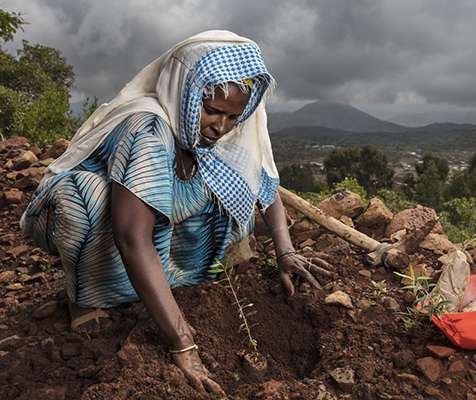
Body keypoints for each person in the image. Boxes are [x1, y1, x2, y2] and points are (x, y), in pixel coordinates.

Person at [20, 30, 332, 395]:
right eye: (212, 111)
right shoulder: (148, 125)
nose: (221, 126)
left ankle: (180, 275)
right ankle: (88, 296)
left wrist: (286, 250)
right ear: (185, 91)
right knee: (84, 200)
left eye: (232, 117)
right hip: (106, 221)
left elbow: (259, 176)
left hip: (158, 214)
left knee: (233, 188)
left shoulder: (214, 127)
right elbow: (131, 237)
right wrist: (182, 341)